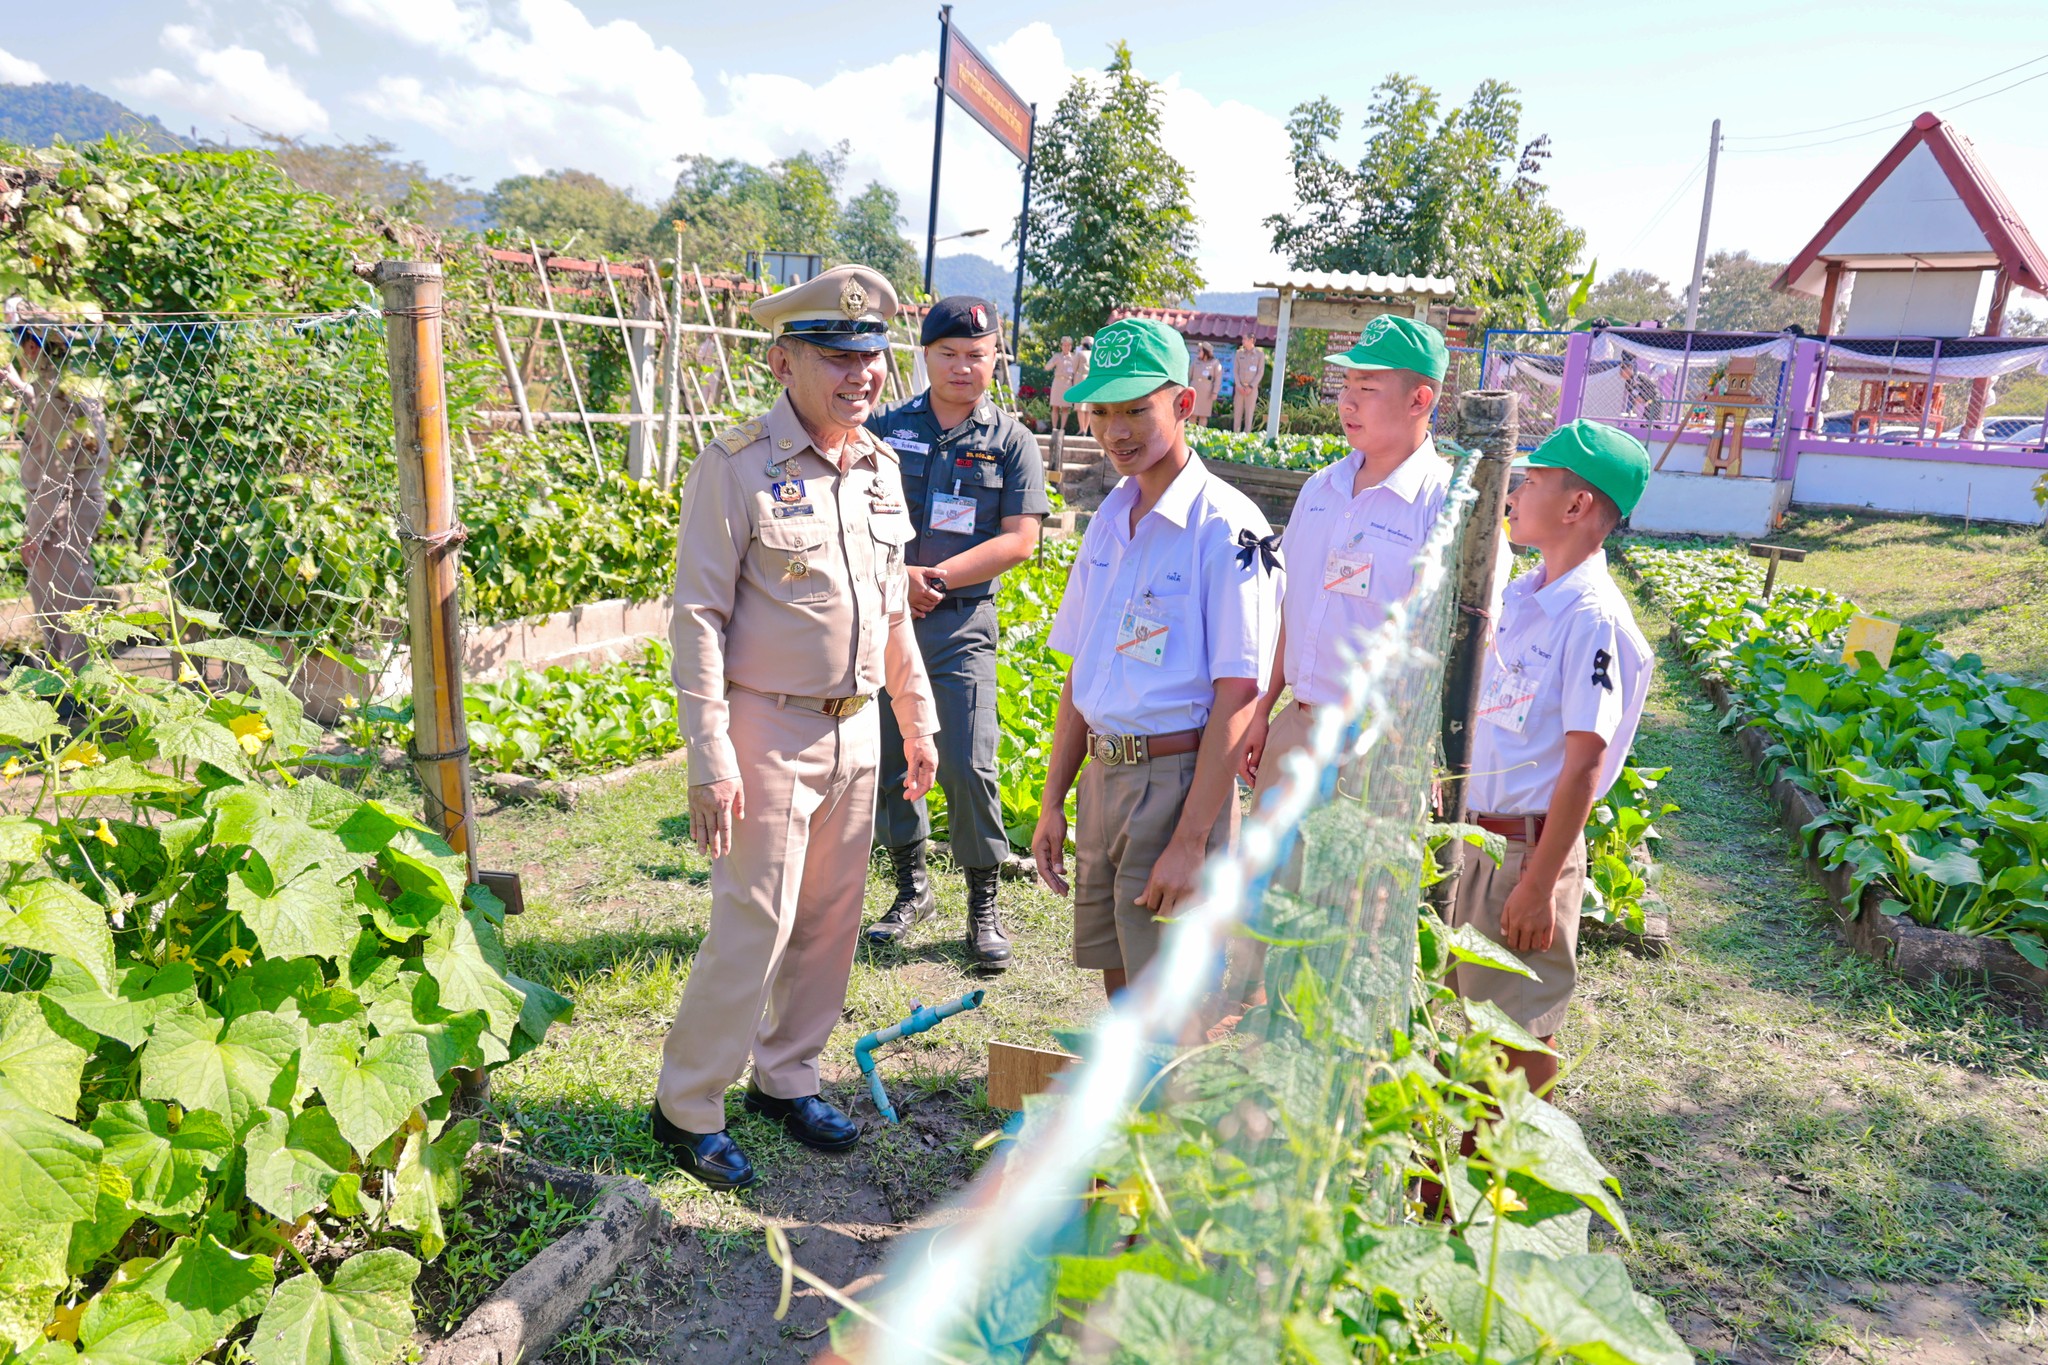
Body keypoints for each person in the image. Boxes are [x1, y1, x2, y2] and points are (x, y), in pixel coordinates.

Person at [654, 264, 940, 1191]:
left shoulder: (880, 469)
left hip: (857, 730)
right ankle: (687, 1106)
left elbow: (893, 608)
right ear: (784, 361)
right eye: (836, 356)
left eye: (871, 356)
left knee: (828, 920)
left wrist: (916, 719)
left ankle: (787, 1076)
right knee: (757, 920)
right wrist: (710, 756)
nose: (861, 374)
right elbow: (696, 614)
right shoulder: (737, 466)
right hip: (766, 728)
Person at [1029, 318, 1281, 998]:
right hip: (1105, 779)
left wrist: (1192, 840)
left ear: (1184, 405)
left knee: (1176, 994)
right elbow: (1081, 670)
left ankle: (1166, 1103)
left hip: (1175, 781)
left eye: (1138, 408)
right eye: (1102, 410)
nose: (1116, 430)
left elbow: (1240, 691)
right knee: (1121, 978)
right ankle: (1136, 1103)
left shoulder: (1227, 528)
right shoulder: (1110, 515)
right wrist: (1053, 800)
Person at [1452, 419, 1654, 1095]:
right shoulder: (1523, 594)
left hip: (1525, 853)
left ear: (1576, 506)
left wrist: (1538, 884)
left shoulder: (1590, 616)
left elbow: (1582, 766)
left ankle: (1502, 1176)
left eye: (1532, 481)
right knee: (1470, 1013)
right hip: (1477, 838)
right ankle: (1445, 1176)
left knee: (1517, 1030)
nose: (1514, 491)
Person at [864, 296, 1050, 967]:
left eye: (977, 354)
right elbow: (857, 515)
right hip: (888, 623)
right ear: (925, 354)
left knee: (970, 763)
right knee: (890, 758)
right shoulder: (884, 428)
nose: (964, 366)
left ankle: (983, 902)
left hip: (962, 622)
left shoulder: (1011, 440)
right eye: (949, 353)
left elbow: (1021, 540)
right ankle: (911, 888)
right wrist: (898, 579)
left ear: (995, 355)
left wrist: (932, 576)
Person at [1241, 316, 1452, 845]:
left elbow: (1460, 644)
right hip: (1298, 727)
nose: (1347, 401)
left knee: (1349, 917)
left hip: (1379, 746)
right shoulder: (1320, 488)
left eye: (1368, 388)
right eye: (1346, 385)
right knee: (1259, 910)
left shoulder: (1445, 504)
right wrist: (1264, 709)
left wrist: (1424, 752)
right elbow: (1292, 606)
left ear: (1419, 399)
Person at [3, 305, 108, 672]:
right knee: (54, 596)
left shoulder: (53, 394)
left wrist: (36, 532)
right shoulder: (74, 385)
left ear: (33, 348)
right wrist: (21, 389)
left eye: (22, 343)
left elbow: (54, 472)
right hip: (73, 502)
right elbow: (55, 422)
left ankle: (78, 682)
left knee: (66, 600)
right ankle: (63, 675)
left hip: (63, 507)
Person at [1048, 335, 1081, 436]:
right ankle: (1054, 428)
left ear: (1071, 346)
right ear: (1061, 346)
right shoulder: (1057, 356)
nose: (1066, 347)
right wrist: (1054, 363)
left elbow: (1077, 371)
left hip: (1067, 383)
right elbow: (1047, 367)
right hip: (1057, 382)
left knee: (1065, 407)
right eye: (1064, 345)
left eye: (1068, 345)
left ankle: (1062, 429)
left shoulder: (1074, 357)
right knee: (1055, 406)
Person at [1231, 334, 1265, 433]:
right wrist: (1239, 385)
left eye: (1245, 339)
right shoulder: (1239, 353)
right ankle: (1235, 435)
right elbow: (1235, 371)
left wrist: (1251, 386)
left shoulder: (1259, 354)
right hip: (1239, 389)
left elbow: (1260, 372)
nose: (1243, 341)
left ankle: (1246, 436)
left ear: (1251, 340)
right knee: (1237, 414)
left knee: (1249, 414)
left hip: (1252, 390)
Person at [1189, 342, 1223, 427]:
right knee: (1192, 413)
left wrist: (1215, 392)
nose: (1198, 352)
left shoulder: (1215, 363)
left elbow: (1218, 379)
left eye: (1199, 350)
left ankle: (1201, 433)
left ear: (1205, 352)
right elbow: (1189, 375)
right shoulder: (1195, 361)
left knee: (1203, 415)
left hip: (1207, 393)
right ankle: (1190, 432)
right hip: (1195, 390)